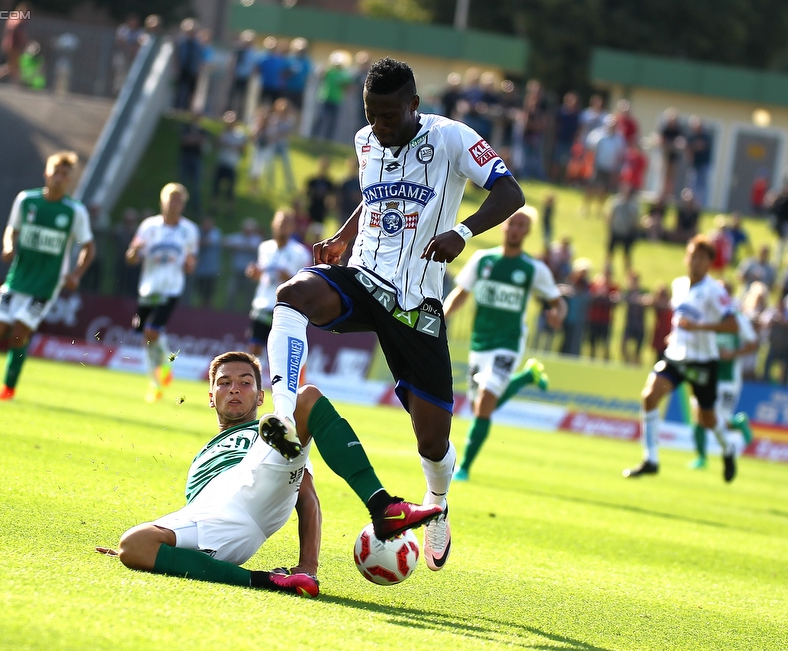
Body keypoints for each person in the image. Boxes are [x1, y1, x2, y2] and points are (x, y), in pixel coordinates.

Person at [260, 57, 524, 572]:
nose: (380, 127)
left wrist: (463, 232)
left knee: (433, 438)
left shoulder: (451, 138)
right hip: (362, 278)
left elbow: (510, 192)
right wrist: (343, 236)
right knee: (293, 293)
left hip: (415, 304)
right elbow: (372, 198)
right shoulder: (364, 141)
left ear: (414, 106)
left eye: (390, 116)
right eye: (372, 115)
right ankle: (284, 412)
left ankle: (438, 501)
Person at [97, 351, 441, 598]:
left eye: (245, 383)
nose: (235, 388)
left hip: (261, 478)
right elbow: (191, 517)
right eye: (225, 383)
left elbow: (308, 499)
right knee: (133, 543)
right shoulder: (202, 455)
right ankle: (269, 581)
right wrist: (159, 557)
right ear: (211, 397)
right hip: (216, 519)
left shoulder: (256, 434)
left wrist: (309, 565)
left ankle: (380, 504)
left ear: (260, 395)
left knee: (303, 399)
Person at [442, 207, 566, 481]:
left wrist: (557, 316)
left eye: (522, 225)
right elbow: (461, 294)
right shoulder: (482, 260)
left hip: (508, 343)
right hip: (480, 342)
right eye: (512, 222)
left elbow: (559, 302)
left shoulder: (533, 268)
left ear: (528, 231)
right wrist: (442, 316)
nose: (515, 228)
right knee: (480, 408)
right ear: (503, 225)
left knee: (486, 401)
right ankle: (526, 377)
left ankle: (463, 468)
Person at [623, 235, 740, 483]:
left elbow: (732, 325)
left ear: (709, 263)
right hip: (676, 356)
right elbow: (681, 320)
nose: (695, 261)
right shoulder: (678, 285)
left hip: (703, 361)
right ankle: (651, 459)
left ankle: (728, 449)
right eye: (692, 255)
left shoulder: (714, 290)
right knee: (649, 396)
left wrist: (700, 328)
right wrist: (674, 336)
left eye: (701, 258)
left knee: (706, 419)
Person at [0, 151, 95, 401]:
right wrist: (8, 246)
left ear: (70, 181)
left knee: (17, 334)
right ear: (47, 173)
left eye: (65, 175)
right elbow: (11, 230)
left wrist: (76, 274)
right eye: (56, 172)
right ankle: (21, 340)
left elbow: (89, 246)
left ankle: (8, 387)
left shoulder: (74, 211)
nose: (59, 178)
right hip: (16, 280)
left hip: (46, 286)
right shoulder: (26, 200)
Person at [126, 183, 200, 403]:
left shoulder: (189, 230)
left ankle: (166, 368)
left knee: (152, 330)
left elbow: (191, 265)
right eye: (171, 199)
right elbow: (131, 258)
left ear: (183, 204)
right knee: (144, 336)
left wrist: (189, 264)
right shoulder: (149, 226)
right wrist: (134, 251)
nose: (174, 203)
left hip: (171, 288)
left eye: (179, 200)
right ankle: (155, 382)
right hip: (148, 287)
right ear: (163, 201)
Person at [689, 285, 756, 470]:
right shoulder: (704, 316)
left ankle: (738, 422)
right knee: (699, 416)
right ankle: (701, 457)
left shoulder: (737, 319)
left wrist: (733, 353)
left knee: (719, 419)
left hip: (727, 378)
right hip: (705, 375)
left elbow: (753, 344)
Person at [245, 209, 312, 357]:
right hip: (263, 303)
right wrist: (254, 273)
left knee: (279, 351)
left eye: (287, 223)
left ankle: (276, 379)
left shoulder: (300, 253)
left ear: (293, 227)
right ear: (273, 224)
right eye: (281, 223)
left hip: (284, 307)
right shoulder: (265, 247)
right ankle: (256, 379)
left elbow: (306, 284)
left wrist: (288, 277)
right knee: (255, 347)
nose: (283, 226)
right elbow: (261, 274)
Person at [605, 184, 640, 270]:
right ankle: (606, 269)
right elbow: (609, 215)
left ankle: (628, 272)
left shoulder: (634, 205)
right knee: (610, 253)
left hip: (627, 233)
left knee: (627, 254)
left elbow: (635, 220)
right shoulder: (615, 202)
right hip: (615, 230)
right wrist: (609, 227)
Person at [193, 217, 222, 307]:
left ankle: (208, 305)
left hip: (212, 267)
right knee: (200, 287)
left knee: (210, 289)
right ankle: (201, 304)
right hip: (200, 267)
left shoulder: (216, 232)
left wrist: (198, 242)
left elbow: (208, 242)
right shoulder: (198, 231)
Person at [305, 156, 335, 241]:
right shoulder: (313, 181)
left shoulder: (329, 183)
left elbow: (332, 197)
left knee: (318, 235)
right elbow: (306, 193)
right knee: (308, 235)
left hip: (321, 212)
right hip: (311, 210)